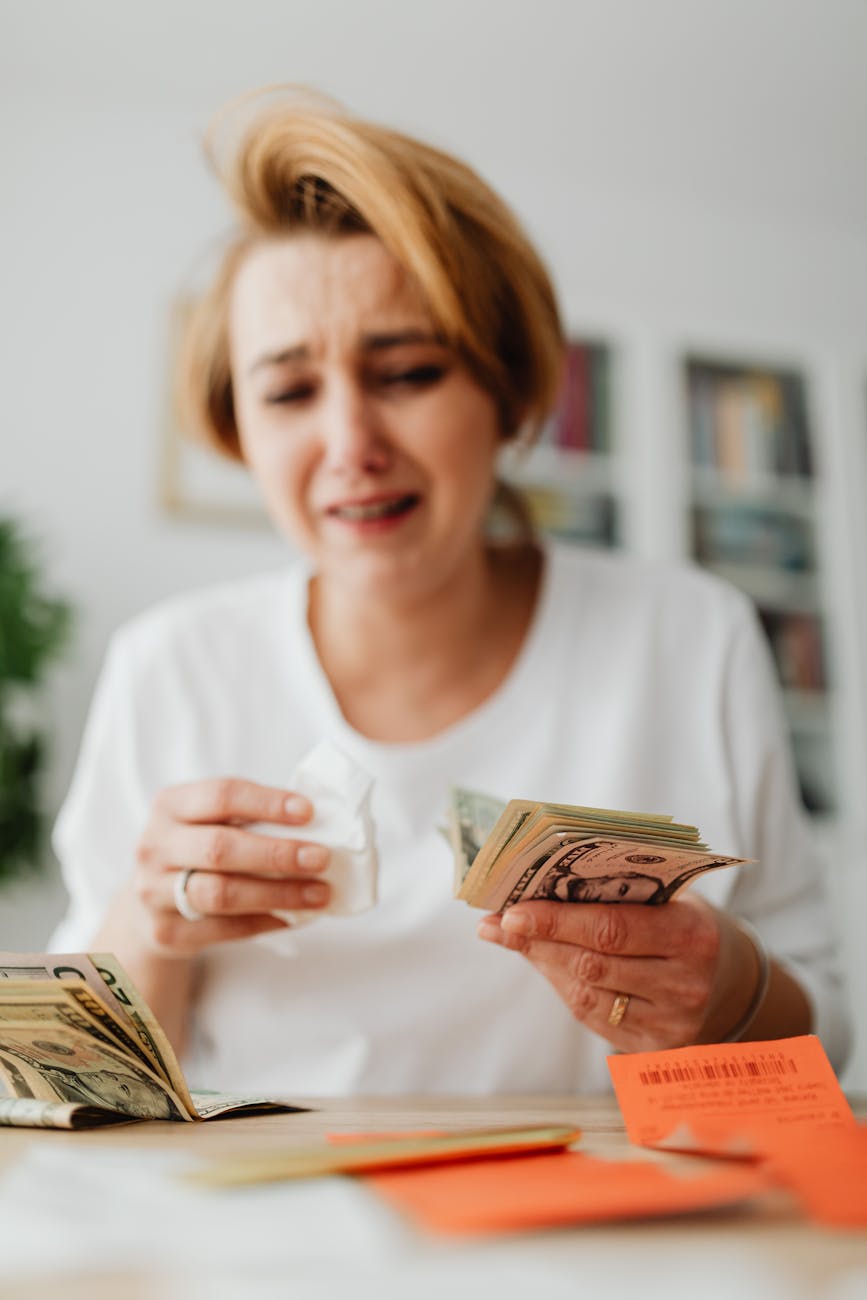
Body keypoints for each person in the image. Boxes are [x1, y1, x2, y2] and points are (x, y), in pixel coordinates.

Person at [49, 88, 850, 1096]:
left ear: (507, 392)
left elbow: (825, 1039)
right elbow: (73, 1089)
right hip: (269, 1201)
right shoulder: (170, 668)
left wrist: (724, 990)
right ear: (236, 428)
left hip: (610, 1198)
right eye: (290, 392)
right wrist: (149, 924)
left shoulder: (690, 638)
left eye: (409, 372)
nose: (351, 445)